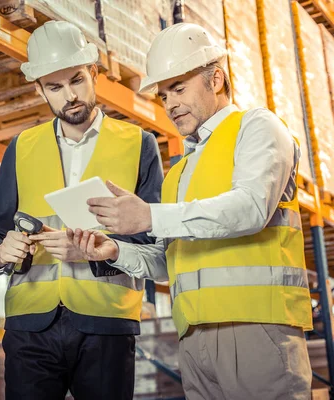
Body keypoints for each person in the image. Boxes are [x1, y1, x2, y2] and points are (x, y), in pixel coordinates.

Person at [69, 22, 313, 400]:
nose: (170, 104)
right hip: (194, 338)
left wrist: (149, 216)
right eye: (164, 95)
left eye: (178, 88)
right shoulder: (179, 171)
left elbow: (250, 207)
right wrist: (116, 251)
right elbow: (175, 261)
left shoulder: (257, 127)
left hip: (255, 327)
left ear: (216, 79)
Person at [0, 20, 165, 400]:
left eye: (77, 80)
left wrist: (96, 253)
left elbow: (152, 242)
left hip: (106, 322)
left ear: (94, 73)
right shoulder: (21, 148)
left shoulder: (139, 144)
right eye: (55, 87)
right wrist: (0, 252)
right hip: (30, 326)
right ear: (39, 89)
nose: (70, 96)